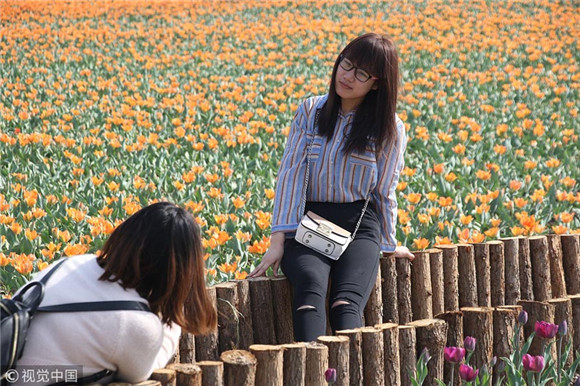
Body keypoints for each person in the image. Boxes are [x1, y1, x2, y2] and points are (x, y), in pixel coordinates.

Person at [249, 33, 414, 342]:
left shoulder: (389, 127)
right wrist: (278, 239)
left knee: (345, 303)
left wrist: (390, 244)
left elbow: (383, 192)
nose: (348, 76)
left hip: (360, 226)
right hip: (311, 222)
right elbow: (291, 175)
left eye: (361, 73)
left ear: (377, 83)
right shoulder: (310, 112)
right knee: (310, 287)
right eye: (346, 64)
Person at [13, 202, 217, 385]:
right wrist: (173, 316)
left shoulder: (71, 263)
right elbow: (144, 372)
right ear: (183, 272)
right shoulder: (136, 324)